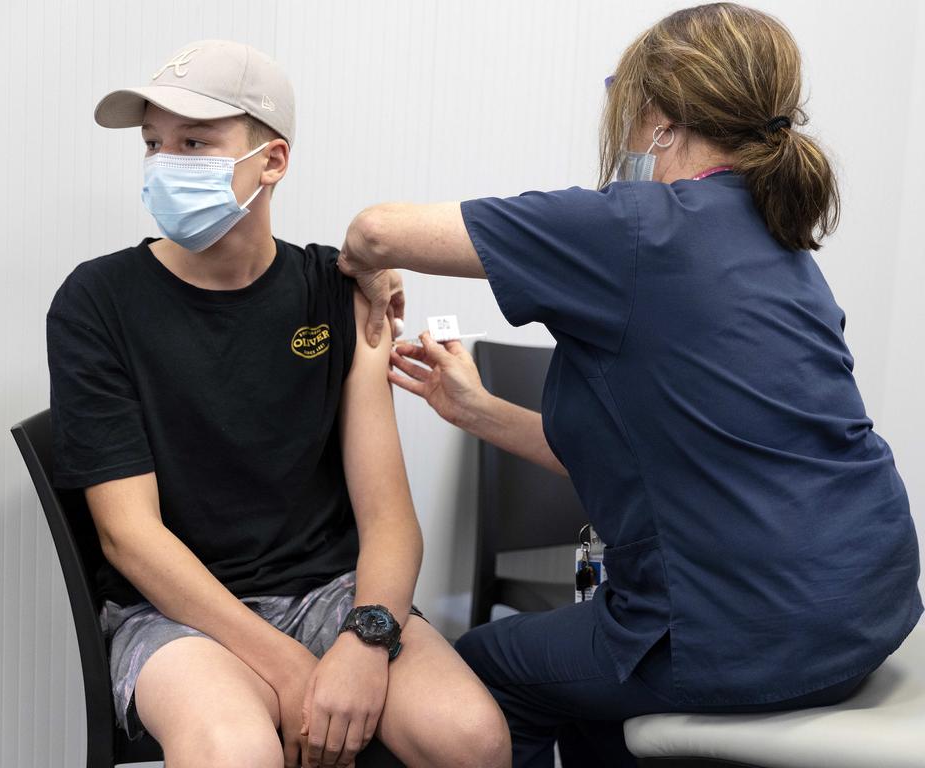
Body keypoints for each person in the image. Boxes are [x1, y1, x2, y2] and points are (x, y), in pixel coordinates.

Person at [337, 4, 923, 766]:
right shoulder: (784, 250)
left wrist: (361, 266)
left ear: (657, 116)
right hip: (868, 607)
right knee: (591, 705)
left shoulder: (637, 225)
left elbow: (376, 231)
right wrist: (480, 413)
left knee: (473, 676)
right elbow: (666, 457)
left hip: (748, 633)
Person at [47, 40, 509, 768]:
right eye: (153, 145)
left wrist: (366, 639)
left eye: (195, 142)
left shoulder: (337, 290)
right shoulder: (96, 303)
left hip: (331, 593)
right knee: (237, 752)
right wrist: (289, 665)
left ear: (273, 161)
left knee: (471, 737)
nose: (166, 162)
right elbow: (128, 538)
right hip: (173, 614)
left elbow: (390, 517)